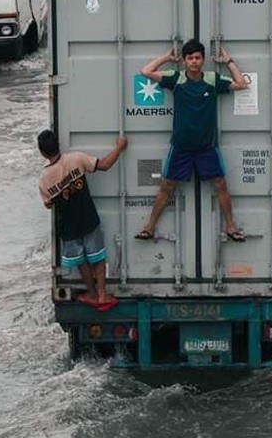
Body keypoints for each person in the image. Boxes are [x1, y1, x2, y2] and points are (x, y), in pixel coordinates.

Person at [134, 40, 248, 242]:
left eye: (197, 58)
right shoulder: (176, 79)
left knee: (220, 184)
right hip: (181, 148)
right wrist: (167, 58)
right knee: (167, 186)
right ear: (185, 61)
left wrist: (228, 61)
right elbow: (145, 71)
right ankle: (150, 227)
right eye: (190, 58)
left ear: (203, 60)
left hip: (207, 147)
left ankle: (231, 227)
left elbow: (241, 84)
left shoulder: (212, 80)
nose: (194, 62)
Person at [38, 129, 128, 309]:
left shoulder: (44, 178)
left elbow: (48, 204)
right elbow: (104, 165)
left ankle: (92, 293)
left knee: (81, 261)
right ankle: (102, 294)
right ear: (59, 145)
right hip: (88, 219)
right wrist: (119, 147)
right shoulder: (76, 159)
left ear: (42, 152)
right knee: (97, 257)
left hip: (68, 228)